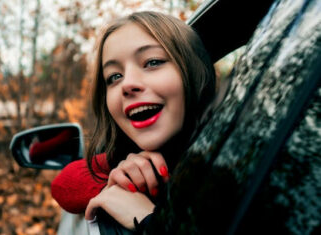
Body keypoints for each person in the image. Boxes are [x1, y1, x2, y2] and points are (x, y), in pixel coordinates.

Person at [51, 10, 216, 231]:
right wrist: (117, 182)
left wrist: (150, 221)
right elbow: (64, 184)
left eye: (153, 62)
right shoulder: (129, 155)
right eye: (114, 76)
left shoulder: (233, 163)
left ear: (195, 73)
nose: (127, 84)